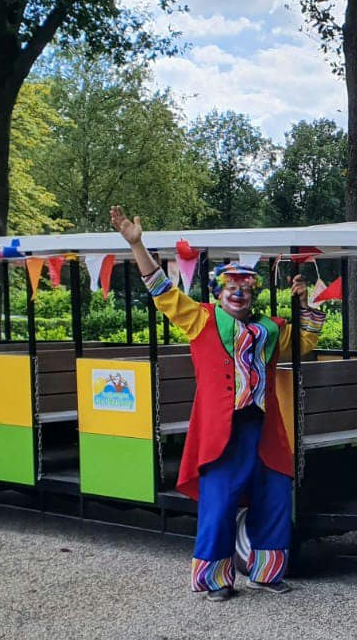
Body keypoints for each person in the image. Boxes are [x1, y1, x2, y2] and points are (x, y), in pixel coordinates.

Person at [110, 206, 322, 598]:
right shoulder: (200, 319)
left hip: (264, 428)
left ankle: (266, 572)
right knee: (219, 505)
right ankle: (215, 579)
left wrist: (304, 300)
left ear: (253, 294)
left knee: (274, 496)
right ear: (219, 294)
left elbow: (307, 343)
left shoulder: (271, 330)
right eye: (231, 288)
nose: (239, 293)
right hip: (222, 431)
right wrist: (137, 244)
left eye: (245, 288)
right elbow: (161, 291)